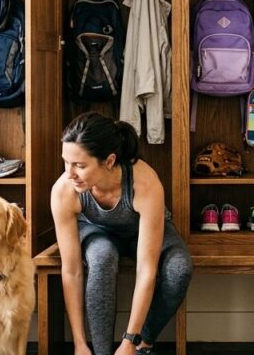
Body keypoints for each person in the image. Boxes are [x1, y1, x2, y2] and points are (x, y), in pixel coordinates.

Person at [51, 112, 192, 355]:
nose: (69, 173)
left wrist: (130, 340)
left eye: (80, 165)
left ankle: (142, 345)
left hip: (142, 230)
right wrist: (79, 344)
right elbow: (72, 270)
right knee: (102, 256)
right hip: (97, 231)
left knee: (180, 269)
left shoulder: (144, 182)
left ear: (109, 161)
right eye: (66, 162)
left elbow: (146, 270)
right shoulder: (64, 189)